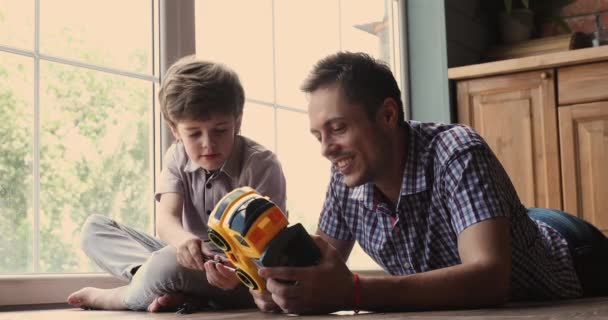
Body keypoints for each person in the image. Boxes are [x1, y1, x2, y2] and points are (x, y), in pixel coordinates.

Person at [252, 51, 608, 314]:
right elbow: (321, 269)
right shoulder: (347, 175)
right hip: (507, 224)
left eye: (338, 128)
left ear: (388, 115)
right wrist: (280, 284)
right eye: (318, 135)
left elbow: (490, 279)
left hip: (571, 252)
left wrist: (354, 292)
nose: (327, 149)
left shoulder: (456, 151)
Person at [67, 56, 287, 312]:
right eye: (194, 134)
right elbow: (166, 221)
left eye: (220, 130)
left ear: (237, 121)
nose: (208, 144)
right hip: (187, 257)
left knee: (166, 264)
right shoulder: (176, 155)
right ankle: (161, 285)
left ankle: (121, 297)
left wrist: (236, 275)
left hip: (240, 275)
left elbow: (267, 252)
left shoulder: (261, 165)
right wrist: (183, 241)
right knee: (94, 229)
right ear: (175, 129)